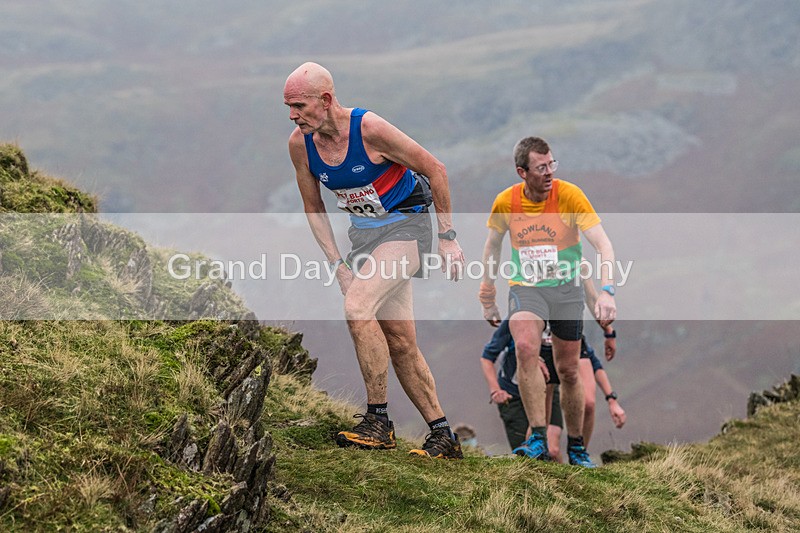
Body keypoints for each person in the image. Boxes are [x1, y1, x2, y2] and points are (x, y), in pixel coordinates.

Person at [285, 62, 465, 459]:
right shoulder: (301, 144)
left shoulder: (369, 130)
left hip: (407, 226)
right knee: (400, 341)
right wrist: (338, 265)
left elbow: (435, 169)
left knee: (358, 307)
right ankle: (443, 436)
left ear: (325, 100)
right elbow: (313, 207)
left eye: (299, 106)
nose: (293, 116)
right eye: (289, 107)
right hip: (364, 237)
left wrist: (448, 238)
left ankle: (378, 422)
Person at [479, 136, 617, 467]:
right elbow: (492, 246)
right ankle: (538, 437)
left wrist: (607, 290)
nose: (549, 172)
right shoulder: (506, 202)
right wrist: (487, 294)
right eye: (541, 167)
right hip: (527, 288)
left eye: (552, 164)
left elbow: (603, 245)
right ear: (522, 172)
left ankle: (577, 446)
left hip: (566, 290)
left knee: (568, 370)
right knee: (526, 347)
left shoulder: (569, 195)